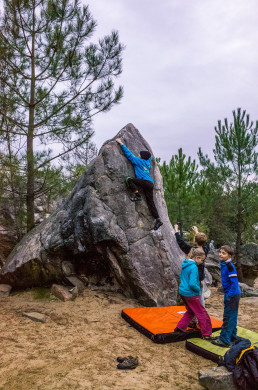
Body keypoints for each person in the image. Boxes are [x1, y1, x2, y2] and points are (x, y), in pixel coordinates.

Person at [115, 138, 163, 230]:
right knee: (150, 202)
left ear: (142, 157)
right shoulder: (147, 163)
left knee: (129, 179)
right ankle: (158, 220)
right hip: (150, 183)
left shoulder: (139, 161)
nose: (139, 155)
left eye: (140, 155)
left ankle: (137, 195)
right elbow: (149, 157)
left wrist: (121, 143)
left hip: (145, 182)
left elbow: (129, 155)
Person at [174, 248, 212, 339]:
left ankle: (180, 327)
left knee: (191, 311)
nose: (201, 262)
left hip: (182, 291)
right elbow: (192, 283)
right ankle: (206, 334)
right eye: (202, 260)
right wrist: (198, 289)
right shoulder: (194, 267)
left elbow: (183, 277)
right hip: (190, 293)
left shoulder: (185, 264)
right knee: (202, 313)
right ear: (197, 258)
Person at [211, 245, 241, 348]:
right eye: (220, 252)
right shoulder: (224, 264)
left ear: (229, 256)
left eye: (224, 253)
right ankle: (232, 336)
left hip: (232, 295)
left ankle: (225, 340)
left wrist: (229, 296)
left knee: (228, 317)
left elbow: (234, 283)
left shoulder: (229, 266)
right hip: (231, 295)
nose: (220, 254)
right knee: (231, 316)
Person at [174, 224, 209, 307]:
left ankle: (197, 315)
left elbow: (180, 242)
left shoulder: (191, 250)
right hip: (200, 277)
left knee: (195, 299)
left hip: (192, 277)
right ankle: (200, 314)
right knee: (200, 297)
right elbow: (203, 242)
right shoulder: (205, 249)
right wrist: (196, 231)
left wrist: (176, 231)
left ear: (195, 241)